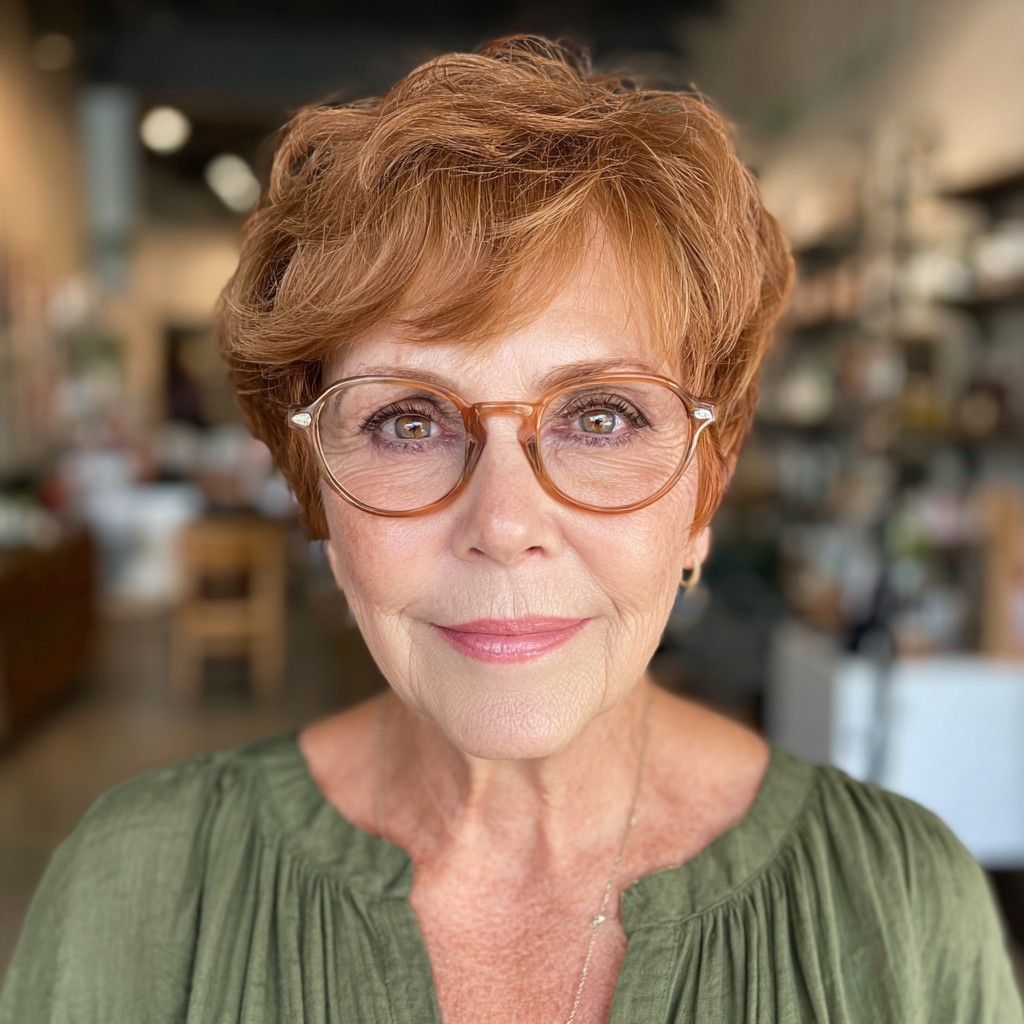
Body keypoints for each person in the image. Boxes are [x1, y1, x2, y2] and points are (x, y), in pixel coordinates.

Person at [2, 35, 1022, 1024]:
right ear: (314, 484)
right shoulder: (134, 890)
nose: (503, 523)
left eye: (601, 416)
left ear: (703, 492)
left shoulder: (900, 908)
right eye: (408, 420)